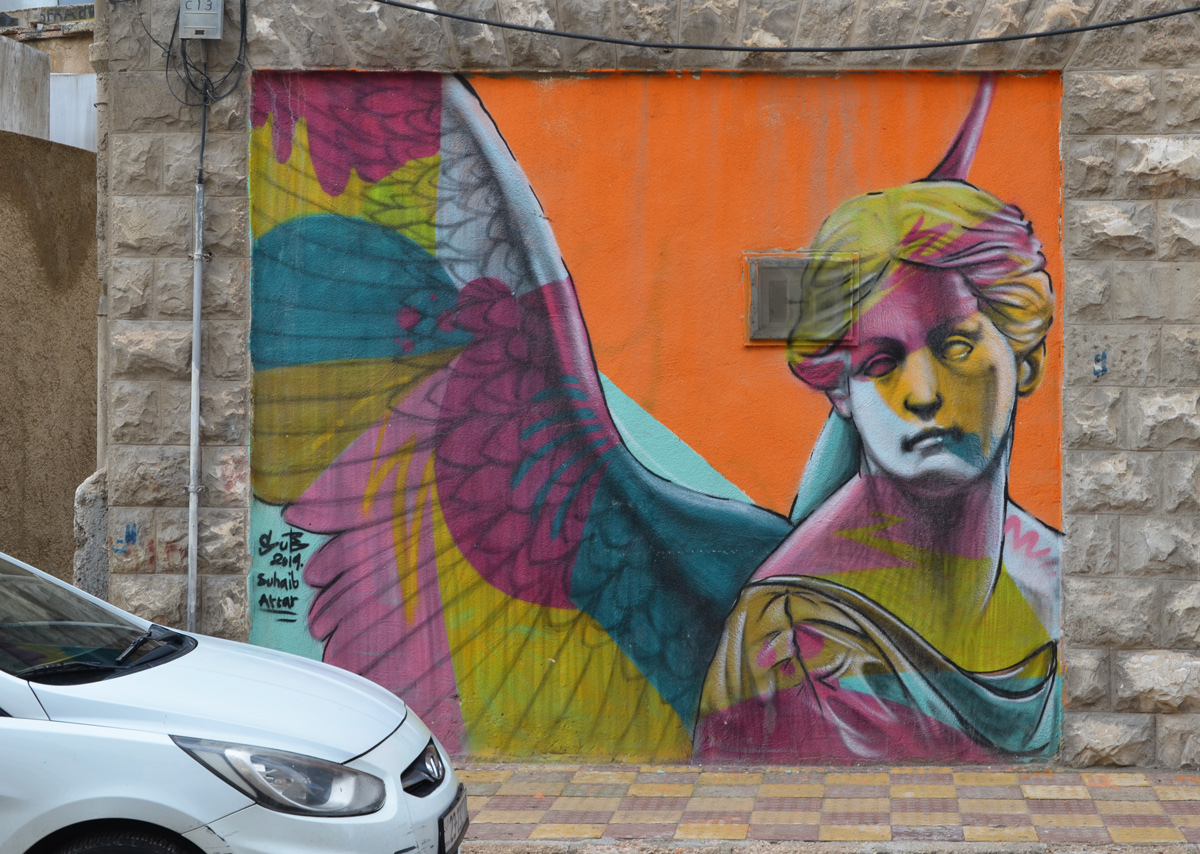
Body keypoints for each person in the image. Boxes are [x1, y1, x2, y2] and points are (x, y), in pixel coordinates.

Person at [693, 76, 1062, 762]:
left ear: (1026, 360)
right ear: (841, 393)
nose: (922, 394)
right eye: (881, 363)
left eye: (955, 345)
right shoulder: (795, 641)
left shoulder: (1059, 578)